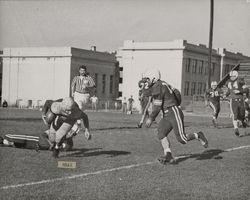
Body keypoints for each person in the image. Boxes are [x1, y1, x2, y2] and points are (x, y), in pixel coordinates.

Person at [144, 68, 208, 165]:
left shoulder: (158, 86)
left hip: (173, 112)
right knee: (161, 133)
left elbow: (157, 107)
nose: (147, 81)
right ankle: (168, 155)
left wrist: (151, 118)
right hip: (167, 113)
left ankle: (198, 135)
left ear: (154, 78)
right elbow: (176, 93)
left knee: (182, 139)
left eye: (147, 79)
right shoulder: (161, 84)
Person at [224, 71, 248, 136]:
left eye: (233, 76)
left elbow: (246, 89)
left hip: (240, 100)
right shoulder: (228, 82)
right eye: (231, 76)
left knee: (242, 116)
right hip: (233, 100)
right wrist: (225, 95)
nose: (232, 77)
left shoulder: (240, 81)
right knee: (235, 114)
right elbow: (229, 90)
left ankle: (245, 129)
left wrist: (239, 91)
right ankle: (236, 129)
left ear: (236, 76)